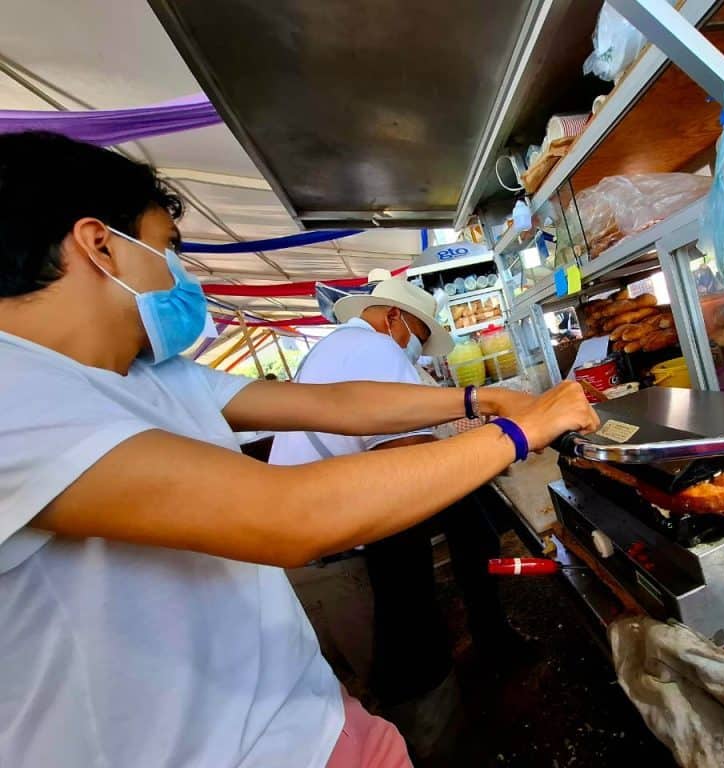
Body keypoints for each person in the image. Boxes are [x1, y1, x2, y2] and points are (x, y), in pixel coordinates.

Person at [0, 131, 600, 768]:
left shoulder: (148, 372)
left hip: (304, 719)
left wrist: (479, 400)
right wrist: (518, 433)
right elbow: (285, 513)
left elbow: (337, 404)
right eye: (168, 250)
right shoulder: (18, 397)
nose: (181, 277)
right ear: (99, 245)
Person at [271, 278, 519, 758]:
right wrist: (500, 446)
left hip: (313, 553)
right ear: (392, 318)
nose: (416, 352)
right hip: (342, 559)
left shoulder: (334, 349)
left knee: (371, 694)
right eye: (418, 338)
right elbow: (413, 463)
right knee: (411, 682)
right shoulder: (377, 349)